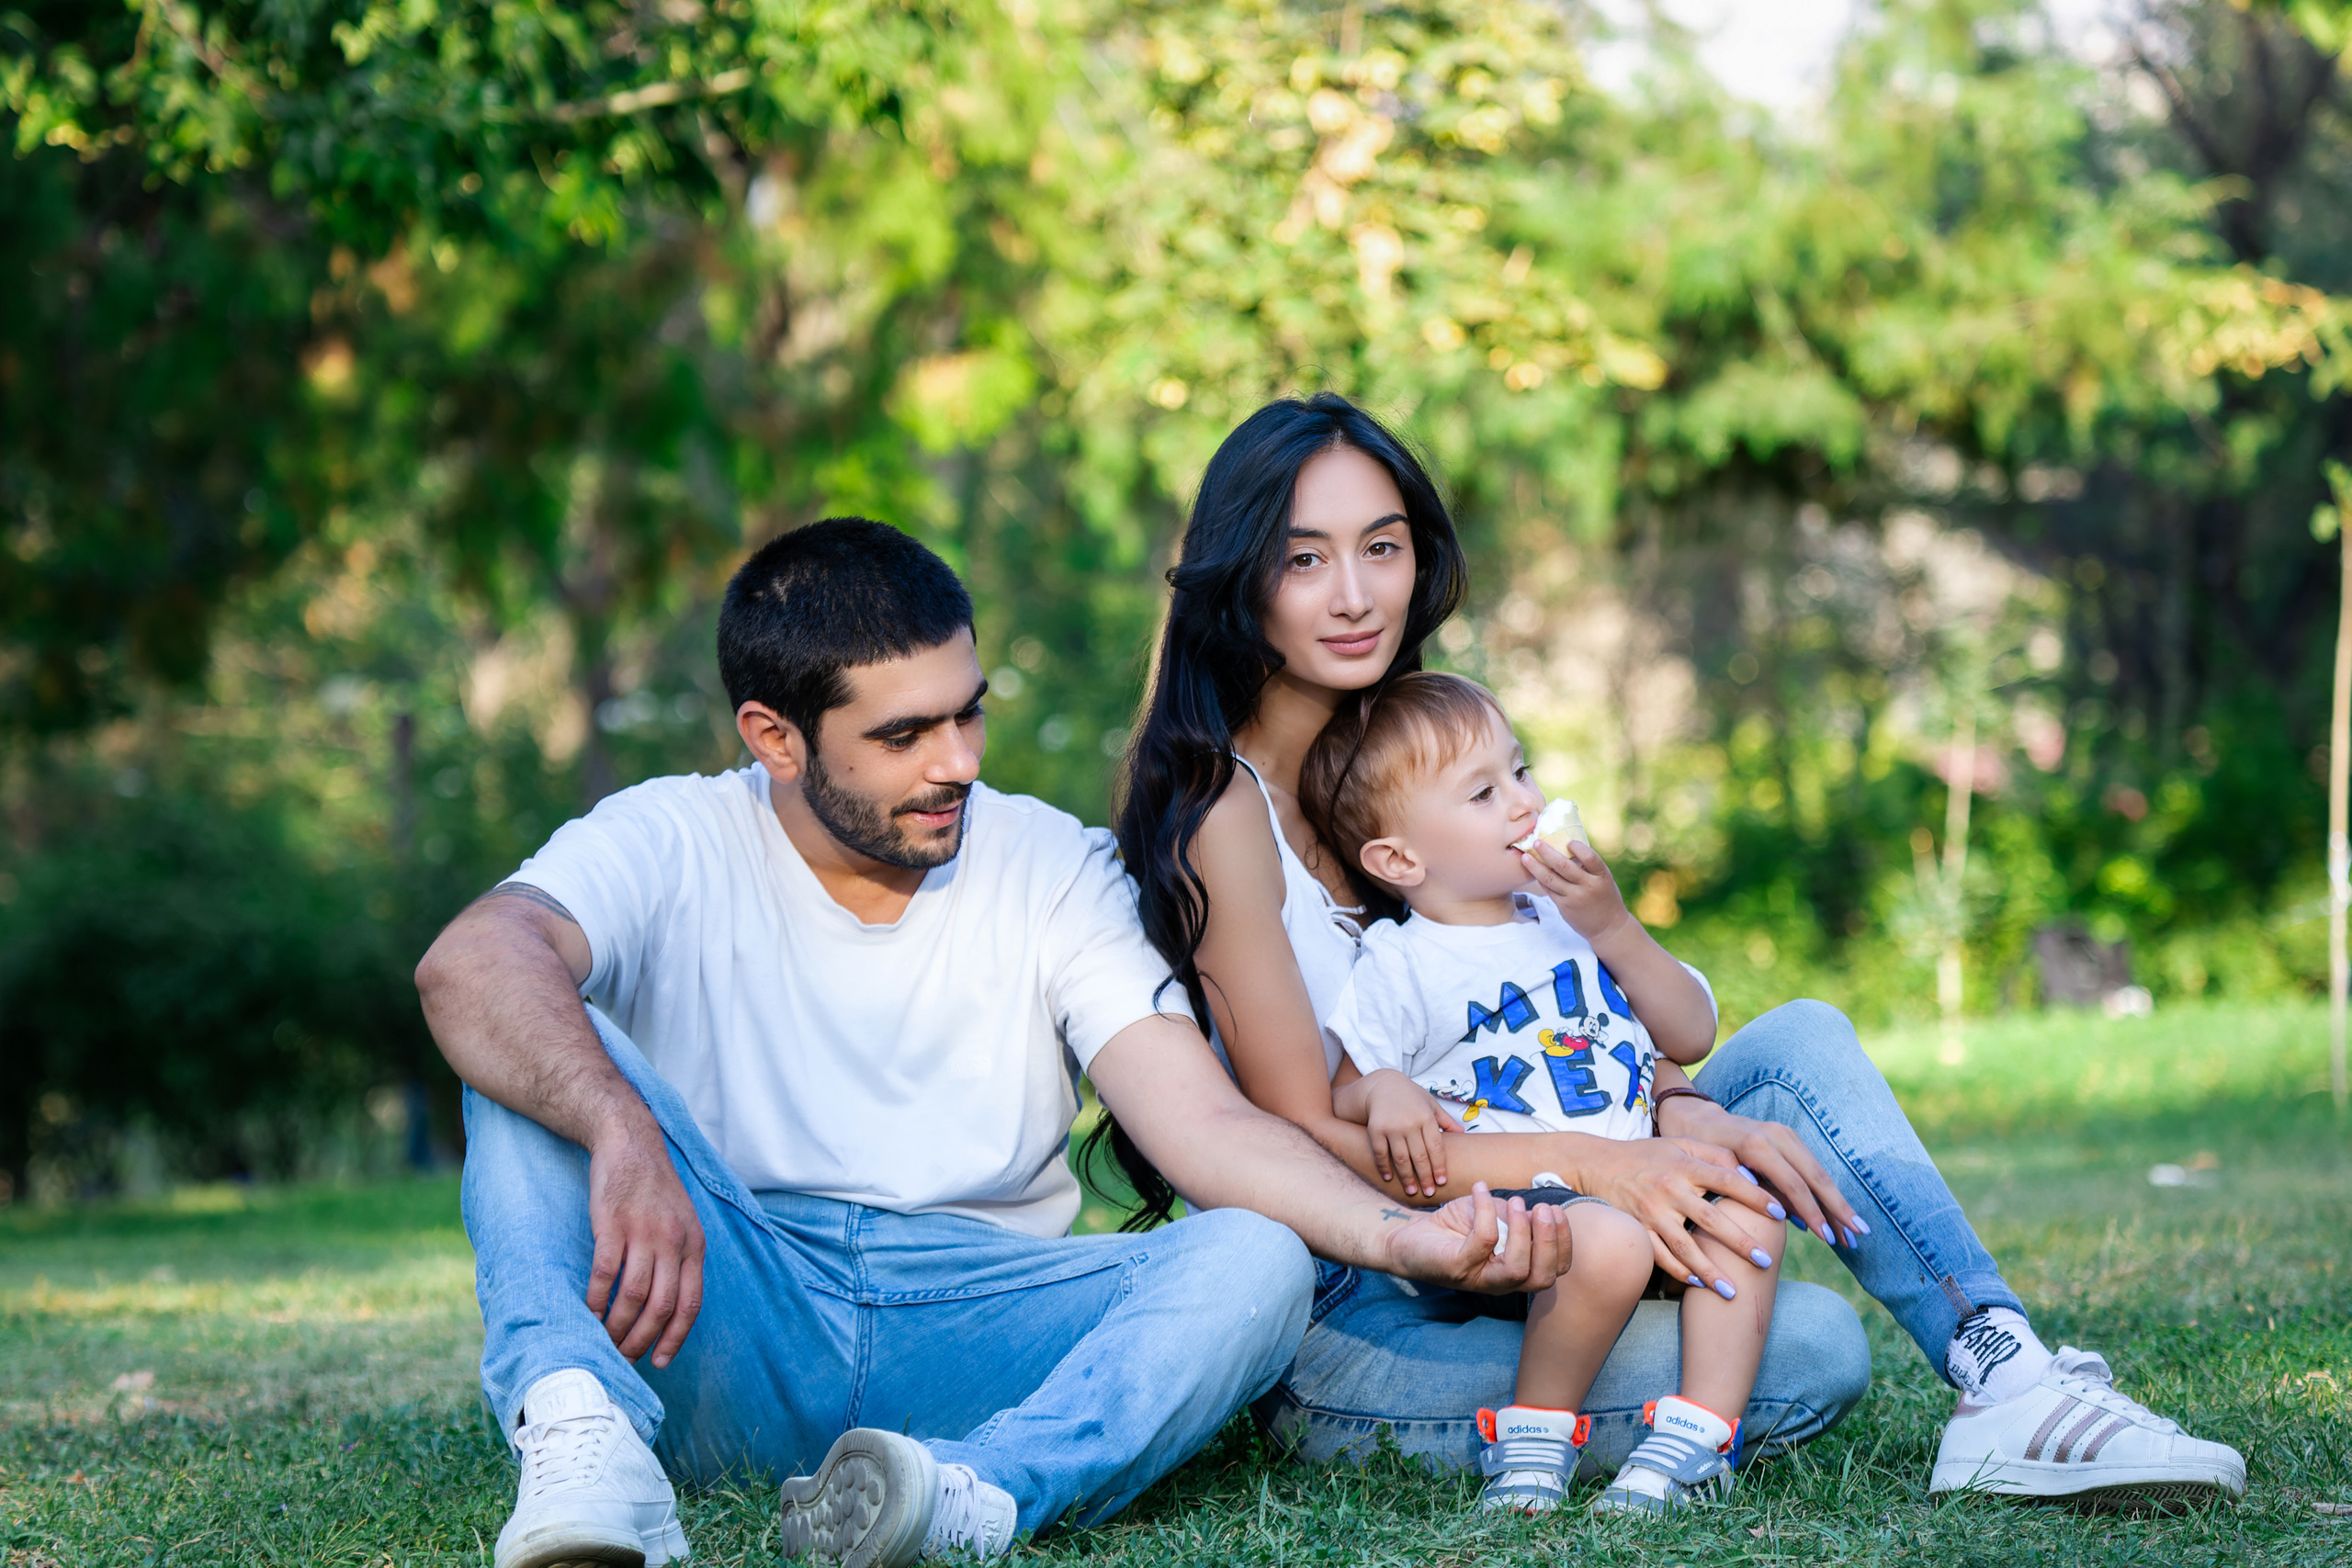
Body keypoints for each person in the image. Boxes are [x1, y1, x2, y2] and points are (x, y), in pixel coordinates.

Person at [1106, 390, 2247, 1507]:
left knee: (1795, 1044)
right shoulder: (1222, 812)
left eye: (1383, 546)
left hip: (1542, 1227)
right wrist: (1606, 1162)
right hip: (1372, 1306)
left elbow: (1535, 1007)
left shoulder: (1426, 767)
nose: (1354, 595)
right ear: (1238, 576)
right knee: (1807, 1348)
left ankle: (2007, 1368)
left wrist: (1669, 1103)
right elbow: (1316, 1130)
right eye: (1303, 559)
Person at [415, 519, 1575, 1568]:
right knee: (522, 1042)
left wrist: (1402, 1237)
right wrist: (620, 1130)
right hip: (731, 1299)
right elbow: (468, 963)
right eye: (904, 733)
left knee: (1254, 1257)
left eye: (968, 711)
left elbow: (1203, 1122)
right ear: (774, 736)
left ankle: (971, 1496)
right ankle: (585, 1445)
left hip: (980, 1321)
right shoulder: (668, 834)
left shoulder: (1048, 862)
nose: (958, 760)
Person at [1310, 671, 1782, 1516]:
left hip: (1647, 1181)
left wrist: (1613, 924)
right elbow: (1344, 1090)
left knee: (1749, 1210)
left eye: (1520, 771)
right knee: (1602, 1241)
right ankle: (1531, 1438)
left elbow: (1688, 1033)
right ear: (1400, 859)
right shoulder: (1404, 960)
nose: (1525, 801)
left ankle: (1697, 1439)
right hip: (1526, 1223)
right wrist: (1384, 1089)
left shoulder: (1568, 916)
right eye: (1484, 792)